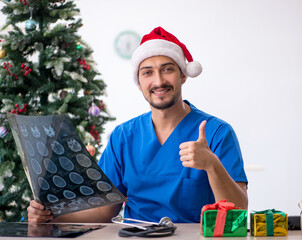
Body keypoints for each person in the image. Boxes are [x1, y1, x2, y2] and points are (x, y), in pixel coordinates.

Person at [27, 27, 248, 223]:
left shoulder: (217, 132)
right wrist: (51, 213)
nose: (159, 81)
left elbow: (238, 211)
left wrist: (212, 165)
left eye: (167, 69)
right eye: (147, 72)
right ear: (139, 83)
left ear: (183, 76)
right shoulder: (123, 137)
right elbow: (105, 211)